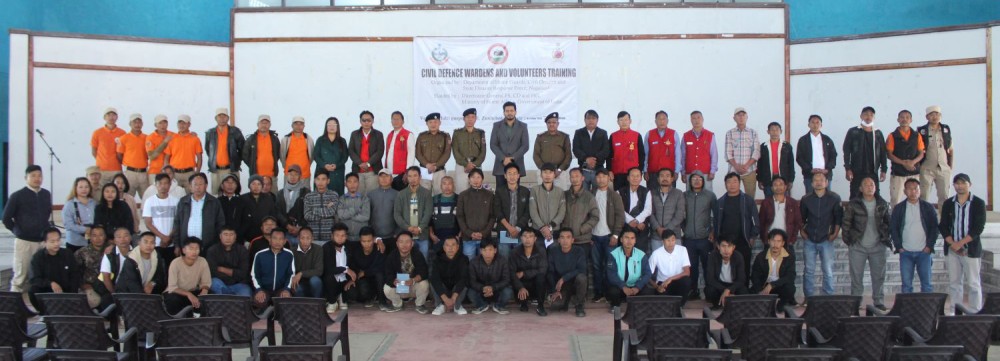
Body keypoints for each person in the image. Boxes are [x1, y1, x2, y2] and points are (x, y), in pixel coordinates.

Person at [842, 177, 892, 310]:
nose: (870, 187)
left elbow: (888, 223)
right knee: (856, 277)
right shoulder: (854, 204)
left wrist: (885, 237)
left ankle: (878, 301)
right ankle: (856, 301)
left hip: (878, 246)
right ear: (860, 188)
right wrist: (849, 241)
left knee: (879, 276)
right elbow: (846, 223)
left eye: (872, 185)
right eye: (866, 185)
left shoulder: (883, 203)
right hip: (858, 246)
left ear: (875, 188)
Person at [939, 173, 987, 313]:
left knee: (973, 283)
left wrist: (960, 243)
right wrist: (952, 243)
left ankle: (975, 311)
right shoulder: (949, 203)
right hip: (952, 250)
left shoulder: (978, 203)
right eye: (957, 183)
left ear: (969, 185)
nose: (960, 186)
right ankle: (955, 312)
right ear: (953, 185)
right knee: (954, 283)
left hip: (970, 249)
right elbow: (943, 226)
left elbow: (978, 228)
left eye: (963, 183)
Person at [4, 164, 54, 294]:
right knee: (21, 276)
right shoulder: (17, 195)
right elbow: (6, 218)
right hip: (24, 242)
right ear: (26, 177)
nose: (37, 178)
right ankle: (13, 308)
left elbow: (46, 214)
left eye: (39, 176)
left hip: (42, 242)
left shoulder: (46, 194)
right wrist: (18, 231)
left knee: (42, 274)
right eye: (33, 176)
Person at [890, 179, 939, 293]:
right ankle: (907, 310)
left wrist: (929, 246)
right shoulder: (899, 208)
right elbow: (893, 229)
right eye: (909, 189)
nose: (913, 191)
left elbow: (934, 228)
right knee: (906, 286)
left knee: (926, 285)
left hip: (924, 252)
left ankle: (927, 310)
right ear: (904, 191)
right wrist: (899, 247)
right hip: (905, 252)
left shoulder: (928, 207)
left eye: (916, 188)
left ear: (920, 190)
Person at [800, 173, 844, 298]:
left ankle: (827, 297)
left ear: (826, 182)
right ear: (812, 183)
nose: (818, 182)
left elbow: (838, 219)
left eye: (821, 180)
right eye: (815, 180)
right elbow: (801, 218)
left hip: (826, 239)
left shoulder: (835, 198)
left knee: (828, 271)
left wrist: (835, 234)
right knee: (808, 271)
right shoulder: (806, 199)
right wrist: (802, 232)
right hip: (810, 239)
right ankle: (809, 298)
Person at [714, 172, 759, 283]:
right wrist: (716, 240)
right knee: (726, 270)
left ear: (739, 183)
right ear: (725, 184)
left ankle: (743, 293)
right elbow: (716, 222)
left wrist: (753, 237)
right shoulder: (720, 202)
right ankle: (727, 292)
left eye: (735, 181)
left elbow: (755, 221)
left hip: (743, 241)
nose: (732, 184)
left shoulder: (748, 200)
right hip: (725, 243)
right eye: (729, 182)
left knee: (744, 269)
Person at [590, 169, 624, 303]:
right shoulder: (590, 194)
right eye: (598, 176)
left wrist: (615, 235)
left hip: (609, 236)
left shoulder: (615, 196)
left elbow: (620, 217)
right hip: (594, 237)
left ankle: (612, 295)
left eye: (604, 176)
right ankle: (599, 293)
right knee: (596, 266)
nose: (601, 179)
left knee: (610, 267)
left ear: (609, 178)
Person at [683, 171, 717, 300]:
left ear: (703, 181)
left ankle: (710, 291)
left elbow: (716, 215)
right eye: (694, 179)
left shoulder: (710, 196)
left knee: (708, 266)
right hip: (689, 239)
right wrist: (684, 228)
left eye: (699, 179)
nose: (697, 181)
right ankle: (693, 290)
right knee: (692, 267)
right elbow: (681, 214)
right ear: (689, 182)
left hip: (705, 238)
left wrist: (713, 231)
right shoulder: (684, 196)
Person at [28, 228, 80, 313]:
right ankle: (43, 313)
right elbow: (34, 279)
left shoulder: (67, 254)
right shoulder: (37, 257)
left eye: (58, 240)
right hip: (46, 290)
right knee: (33, 290)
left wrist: (72, 294)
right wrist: (50, 283)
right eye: (52, 242)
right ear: (45, 242)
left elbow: (74, 274)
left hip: (65, 290)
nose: (56, 244)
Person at [172, 173, 226, 252]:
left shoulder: (214, 202)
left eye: (201, 184)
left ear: (206, 186)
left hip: (208, 247)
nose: (198, 187)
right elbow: (177, 223)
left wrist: (216, 244)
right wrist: (177, 244)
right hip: (186, 246)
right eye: (195, 184)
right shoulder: (183, 201)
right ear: (190, 186)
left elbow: (220, 224)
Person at [843, 106, 888, 199]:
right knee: (855, 195)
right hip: (856, 170)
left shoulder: (878, 133)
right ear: (861, 116)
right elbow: (846, 151)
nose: (868, 117)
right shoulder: (853, 131)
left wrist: (884, 170)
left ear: (874, 117)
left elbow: (883, 152)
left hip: (873, 171)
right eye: (866, 114)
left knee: (875, 195)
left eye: (871, 115)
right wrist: (848, 168)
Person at [382, 231, 431, 314]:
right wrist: (393, 281)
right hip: (399, 286)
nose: (404, 245)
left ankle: (420, 304)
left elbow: (424, 272)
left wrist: (413, 280)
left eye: (407, 242)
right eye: (401, 242)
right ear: (397, 244)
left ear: (412, 243)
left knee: (424, 284)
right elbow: (387, 274)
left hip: (413, 286)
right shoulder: (391, 256)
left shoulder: (417, 254)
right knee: (387, 288)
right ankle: (397, 304)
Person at [886, 110, 926, 205]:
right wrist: (904, 163)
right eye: (902, 117)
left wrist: (912, 162)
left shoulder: (917, 135)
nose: (904, 119)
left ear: (911, 120)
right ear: (898, 119)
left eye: (907, 117)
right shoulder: (892, 136)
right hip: (898, 173)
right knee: (896, 200)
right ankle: (896, 219)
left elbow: (921, 153)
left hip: (914, 172)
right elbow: (889, 154)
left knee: (915, 199)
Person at [562, 168, 599, 269]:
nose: (574, 179)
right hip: (566, 239)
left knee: (582, 270)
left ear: (583, 178)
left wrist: (582, 229)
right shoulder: (564, 195)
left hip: (583, 240)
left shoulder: (589, 196)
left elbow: (595, 217)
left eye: (577, 176)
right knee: (566, 267)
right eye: (572, 177)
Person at [918, 106, 954, 210]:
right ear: (927, 117)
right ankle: (924, 222)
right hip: (926, 168)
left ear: (941, 116)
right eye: (932, 114)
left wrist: (950, 166)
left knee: (944, 197)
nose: (935, 117)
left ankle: (943, 223)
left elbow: (951, 150)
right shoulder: (922, 131)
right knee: (923, 197)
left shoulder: (946, 129)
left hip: (943, 168)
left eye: (937, 114)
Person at [750, 229, 797, 308]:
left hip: (779, 285)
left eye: (779, 241)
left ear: (783, 243)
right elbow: (755, 276)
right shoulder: (761, 257)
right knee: (748, 292)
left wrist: (772, 285)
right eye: (773, 241)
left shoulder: (789, 257)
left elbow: (790, 276)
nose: (775, 244)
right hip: (764, 285)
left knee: (790, 289)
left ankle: (781, 306)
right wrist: (760, 291)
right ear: (768, 241)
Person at [164, 237, 211, 314]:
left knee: (210, 295)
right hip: (176, 292)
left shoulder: (202, 261)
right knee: (172, 299)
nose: (194, 251)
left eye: (197, 249)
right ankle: (175, 322)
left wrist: (204, 290)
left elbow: (206, 282)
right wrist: (188, 294)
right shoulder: (175, 263)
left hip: (193, 291)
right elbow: (172, 287)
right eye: (191, 248)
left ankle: (201, 319)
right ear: (184, 250)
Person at [605, 229, 651, 309]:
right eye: (626, 238)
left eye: (632, 238)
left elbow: (647, 273)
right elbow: (611, 275)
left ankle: (638, 306)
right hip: (620, 287)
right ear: (621, 240)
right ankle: (615, 305)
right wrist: (623, 286)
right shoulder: (614, 254)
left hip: (635, 286)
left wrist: (637, 287)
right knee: (612, 291)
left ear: (635, 241)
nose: (629, 241)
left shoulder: (641, 254)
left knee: (648, 290)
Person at [643, 230, 692, 305]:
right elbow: (647, 274)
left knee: (686, 281)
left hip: (678, 281)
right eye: (668, 240)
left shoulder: (682, 250)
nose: (671, 243)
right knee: (663, 303)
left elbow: (687, 272)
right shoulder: (656, 253)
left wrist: (670, 278)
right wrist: (657, 287)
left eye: (673, 240)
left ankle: (680, 306)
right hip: (663, 283)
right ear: (663, 241)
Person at [394, 167, 433, 260]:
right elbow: (397, 214)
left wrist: (420, 228)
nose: (412, 179)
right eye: (410, 176)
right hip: (405, 235)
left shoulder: (426, 193)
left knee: (423, 260)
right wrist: (408, 228)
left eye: (415, 176)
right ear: (407, 178)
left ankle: (421, 275)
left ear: (420, 177)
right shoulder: (401, 194)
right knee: (405, 262)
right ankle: (407, 276)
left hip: (422, 235)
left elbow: (428, 212)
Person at [548, 228, 588, 317]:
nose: (565, 240)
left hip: (575, 283)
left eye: (568, 237)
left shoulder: (579, 251)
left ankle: (579, 305)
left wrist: (564, 278)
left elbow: (582, 269)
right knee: (555, 306)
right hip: (562, 286)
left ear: (572, 240)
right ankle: (567, 299)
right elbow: (550, 272)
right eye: (562, 237)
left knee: (582, 278)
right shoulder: (553, 251)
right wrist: (555, 290)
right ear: (558, 240)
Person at [493, 163, 531, 259]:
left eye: (515, 173)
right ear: (505, 176)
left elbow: (527, 212)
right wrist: (509, 228)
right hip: (504, 231)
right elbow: (497, 211)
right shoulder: (499, 191)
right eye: (509, 173)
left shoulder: (526, 191)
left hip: (520, 232)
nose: (512, 176)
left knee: (519, 260)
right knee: (504, 260)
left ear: (518, 176)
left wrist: (517, 228)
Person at [251, 228, 295, 309]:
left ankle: (279, 319)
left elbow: (291, 274)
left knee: (286, 301)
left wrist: (286, 289)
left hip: (281, 289)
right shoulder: (260, 255)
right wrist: (259, 290)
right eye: (275, 238)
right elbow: (254, 275)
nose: (277, 241)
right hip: (264, 289)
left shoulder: (289, 254)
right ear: (270, 240)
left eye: (280, 239)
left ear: (285, 241)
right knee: (259, 302)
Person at [489, 101, 530, 186]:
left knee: (515, 192)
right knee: (500, 193)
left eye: (511, 110)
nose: (509, 113)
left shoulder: (523, 126)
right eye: (507, 111)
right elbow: (493, 145)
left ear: (515, 112)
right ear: (504, 112)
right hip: (501, 164)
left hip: (516, 164)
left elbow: (525, 146)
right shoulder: (497, 126)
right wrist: (504, 158)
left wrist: (512, 158)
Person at [457, 169, 495, 258]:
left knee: (485, 263)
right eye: (473, 177)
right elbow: (460, 216)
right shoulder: (463, 195)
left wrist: (484, 233)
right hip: (468, 238)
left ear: (482, 179)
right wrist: (469, 233)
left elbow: (492, 216)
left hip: (485, 238)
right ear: (469, 179)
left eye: (478, 177)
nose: (476, 180)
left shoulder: (489, 195)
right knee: (469, 264)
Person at [205, 108, 244, 193]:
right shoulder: (210, 133)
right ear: (216, 118)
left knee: (233, 194)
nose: (222, 118)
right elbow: (208, 150)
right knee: (216, 194)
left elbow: (242, 149)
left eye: (224, 116)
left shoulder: (235, 131)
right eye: (220, 116)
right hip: (216, 170)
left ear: (228, 118)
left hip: (231, 169)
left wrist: (236, 161)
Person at [510, 228, 548, 316]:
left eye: (531, 236)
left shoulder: (541, 251)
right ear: (521, 238)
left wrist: (524, 273)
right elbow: (512, 272)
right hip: (522, 286)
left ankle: (540, 306)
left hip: (536, 285)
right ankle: (523, 303)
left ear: (535, 239)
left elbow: (543, 269)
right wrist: (520, 287)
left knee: (541, 277)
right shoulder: (515, 252)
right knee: (517, 277)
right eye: (525, 236)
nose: (527, 239)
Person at [796, 115, 838, 195]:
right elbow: (799, 158)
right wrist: (809, 169)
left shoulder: (827, 139)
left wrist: (828, 169)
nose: (815, 125)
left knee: (827, 198)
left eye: (817, 123)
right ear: (808, 125)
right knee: (810, 197)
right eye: (812, 122)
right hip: (809, 175)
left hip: (825, 174)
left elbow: (833, 155)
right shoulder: (803, 140)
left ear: (821, 125)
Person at [143, 173, 180, 263]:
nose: (163, 186)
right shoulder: (149, 201)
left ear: (170, 184)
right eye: (160, 183)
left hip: (172, 243)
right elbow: (148, 223)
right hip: (156, 243)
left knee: (170, 270)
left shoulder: (176, 201)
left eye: (166, 183)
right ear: (155, 184)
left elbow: (178, 222)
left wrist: (169, 238)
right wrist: (162, 237)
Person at [724, 107, 761, 199]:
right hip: (733, 171)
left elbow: (756, 151)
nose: (741, 117)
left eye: (743, 115)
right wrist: (737, 166)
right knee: (733, 197)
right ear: (734, 118)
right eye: (738, 115)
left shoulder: (753, 133)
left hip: (750, 171)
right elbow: (728, 153)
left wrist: (747, 166)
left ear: (747, 117)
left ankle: (749, 214)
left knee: (750, 198)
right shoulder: (729, 133)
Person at [205, 226, 252, 297]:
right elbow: (212, 271)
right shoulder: (212, 250)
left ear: (235, 236)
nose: (228, 238)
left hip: (239, 284)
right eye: (225, 234)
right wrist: (233, 274)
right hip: (220, 282)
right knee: (214, 282)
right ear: (220, 236)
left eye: (231, 234)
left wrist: (222, 269)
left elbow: (243, 273)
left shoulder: (242, 250)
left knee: (246, 294)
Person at [468, 241, 512, 315]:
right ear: (480, 251)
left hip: (497, 290)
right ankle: (481, 305)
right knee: (470, 292)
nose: (487, 253)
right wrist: (483, 288)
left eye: (490, 250)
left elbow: (506, 279)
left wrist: (493, 287)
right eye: (484, 250)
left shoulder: (502, 261)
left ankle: (498, 306)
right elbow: (472, 281)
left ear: (495, 250)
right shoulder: (474, 262)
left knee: (508, 292)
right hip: (482, 291)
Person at [97, 227, 137, 308]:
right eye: (119, 237)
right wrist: (115, 294)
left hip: (133, 289)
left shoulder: (137, 253)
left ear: (130, 238)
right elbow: (106, 277)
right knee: (107, 302)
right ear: (115, 240)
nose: (122, 239)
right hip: (114, 288)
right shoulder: (109, 255)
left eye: (125, 236)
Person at [530, 163, 567, 249]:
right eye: (545, 172)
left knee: (553, 258)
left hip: (554, 231)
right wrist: (543, 227)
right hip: (538, 231)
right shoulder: (534, 190)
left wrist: (550, 227)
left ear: (554, 174)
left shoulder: (560, 192)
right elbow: (533, 211)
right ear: (541, 174)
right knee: (539, 258)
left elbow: (562, 212)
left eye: (550, 172)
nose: (547, 175)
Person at [758, 176, 803, 247]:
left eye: (781, 184)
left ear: (785, 187)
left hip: (787, 240)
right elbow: (761, 222)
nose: (778, 187)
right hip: (770, 240)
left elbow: (798, 222)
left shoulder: (792, 202)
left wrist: (792, 239)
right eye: (775, 185)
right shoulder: (766, 203)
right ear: (772, 188)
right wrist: (764, 239)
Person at [348, 110, 385, 195]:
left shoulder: (378, 134)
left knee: (372, 195)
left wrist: (368, 164)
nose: (366, 122)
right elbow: (351, 150)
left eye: (369, 120)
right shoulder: (354, 134)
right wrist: (360, 163)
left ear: (373, 121)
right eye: (364, 120)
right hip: (358, 170)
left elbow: (380, 151)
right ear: (360, 121)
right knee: (358, 196)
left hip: (373, 171)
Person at [704, 237, 747, 309]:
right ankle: (718, 304)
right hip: (719, 285)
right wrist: (724, 290)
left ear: (733, 247)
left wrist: (728, 290)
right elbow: (710, 278)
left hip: (733, 286)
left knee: (744, 291)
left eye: (729, 246)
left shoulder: (738, 256)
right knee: (709, 290)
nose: (726, 250)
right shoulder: (713, 256)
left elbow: (741, 279)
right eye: (723, 246)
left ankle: (732, 303)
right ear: (718, 247)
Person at [162, 114, 203, 191]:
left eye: (184, 123)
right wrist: (167, 173)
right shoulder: (172, 138)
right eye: (179, 123)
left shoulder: (195, 139)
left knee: (191, 196)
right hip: (175, 174)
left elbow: (199, 158)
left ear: (189, 124)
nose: (181, 125)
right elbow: (166, 158)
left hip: (189, 173)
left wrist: (197, 173)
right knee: (174, 195)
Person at [680, 110, 719, 191]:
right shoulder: (686, 136)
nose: (696, 120)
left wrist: (712, 171)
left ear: (702, 119)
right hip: (690, 173)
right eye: (693, 118)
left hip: (706, 173)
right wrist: (683, 172)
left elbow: (714, 154)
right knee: (690, 197)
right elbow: (682, 156)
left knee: (707, 197)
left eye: (698, 117)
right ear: (691, 120)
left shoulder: (710, 135)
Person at [572, 109, 610, 191]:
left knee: (598, 195)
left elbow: (606, 150)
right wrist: (586, 159)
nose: (591, 120)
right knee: (583, 195)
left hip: (598, 170)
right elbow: (576, 149)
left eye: (593, 118)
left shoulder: (603, 133)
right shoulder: (579, 133)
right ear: (584, 120)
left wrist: (594, 159)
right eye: (588, 118)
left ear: (597, 120)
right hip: (583, 169)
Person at [533, 112, 572, 190]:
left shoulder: (564, 137)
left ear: (558, 124)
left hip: (560, 172)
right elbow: (536, 155)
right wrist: (544, 170)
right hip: (543, 172)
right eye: (549, 122)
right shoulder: (540, 137)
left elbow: (568, 155)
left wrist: (560, 169)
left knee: (560, 196)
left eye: (554, 122)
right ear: (546, 124)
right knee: (543, 196)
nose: (551, 124)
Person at [430, 237, 469, 315]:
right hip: (443, 291)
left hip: (457, 291)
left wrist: (454, 297)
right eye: (447, 245)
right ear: (444, 248)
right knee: (433, 282)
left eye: (453, 245)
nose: (450, 248)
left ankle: (457, 306)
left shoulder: (464, 259)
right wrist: (445, 299)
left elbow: (463, 278)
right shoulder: (437, 259)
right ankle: (440, 305)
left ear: (458, 247)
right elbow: (435, 279)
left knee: (466, 282)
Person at [649, 168, 685, 252]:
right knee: (658, 262)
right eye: (662, 176)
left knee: (675, 263)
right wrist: (658, 228)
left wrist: (667, 230)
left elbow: (680, 215)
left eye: (668, 176)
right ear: (658, 179)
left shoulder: (678, 193)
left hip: (674, 235)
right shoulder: (651, 193)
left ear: (672, 178)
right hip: (656, 236)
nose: (665, 178)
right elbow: (650, 213)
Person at [415, 112, 451, 195]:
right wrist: (427, 165)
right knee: (423, 195)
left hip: (439, 171)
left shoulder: (445, 136)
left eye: (435, 122)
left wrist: (436, 165)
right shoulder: (421, 136)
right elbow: (418, 153)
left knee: (440, 194)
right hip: (424, 170)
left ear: (439, 123)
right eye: (430, 122)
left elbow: (447, 153)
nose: (433, 124)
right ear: (427, 124)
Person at [349, 227, 385, 308]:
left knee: (380, 275)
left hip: (377, 278)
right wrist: (353, 278)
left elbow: (381, 267)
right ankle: (370, 297)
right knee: (354, 293)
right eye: (363, 241)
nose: (366, 244)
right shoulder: (356, 249)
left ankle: (382, 301)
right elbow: (353, 265)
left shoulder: (379, 248)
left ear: (374, 239)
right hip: (362, 278)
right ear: (360, 240)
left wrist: (365, 272)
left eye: (369, 241)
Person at [452, 108, 487, 194]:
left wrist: (474, 164)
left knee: (477, 192)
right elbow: (455, 151)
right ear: (464, 119)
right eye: (468, 117)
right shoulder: (457, 133)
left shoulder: (480, 133)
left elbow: (483, 151)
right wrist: (466, 164)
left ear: (475, 118)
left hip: (476, 166)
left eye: (472, 117)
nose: (470, 119)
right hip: (461, 166)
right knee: (461, 191)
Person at [757, 122, 795, 198]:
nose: (774, 132)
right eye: (772, 130)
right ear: (768, 131)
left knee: (783, 203)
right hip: (768, 180)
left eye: (777, 130)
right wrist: (759, 180)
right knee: (769, 203)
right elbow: (760, 165)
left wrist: (791, 180)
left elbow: (791, 164)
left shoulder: (787, 146)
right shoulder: (763, 147)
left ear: (781, 131)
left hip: (783, 179)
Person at [609, 111, 645, 191]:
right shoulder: (613, 136)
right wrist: (610, 170)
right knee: (619, 197)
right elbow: (609, 155)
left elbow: (642, 155)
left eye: (626, 119)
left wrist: (640, 170)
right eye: (621, 120)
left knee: (632, 197)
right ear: (618, 122)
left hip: (633, 174)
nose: (624, 122)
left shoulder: (637, 135)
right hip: (618, 173)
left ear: (630, 121)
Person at [116, 113, 149, 198]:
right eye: (134, 122)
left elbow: (149, 154)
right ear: (130, 124)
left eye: (139, 122)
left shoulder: (147, 138)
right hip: (130, 173)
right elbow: (119, 155)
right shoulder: (124, 138)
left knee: (146, 197)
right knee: (127, 197)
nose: (137, 124)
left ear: (142, 124)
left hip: (144, 173)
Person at [644, 111, 683, 183]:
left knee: (670, 194)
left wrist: (677, 171)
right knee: (652, 194)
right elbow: (645, 154)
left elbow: (678, 154)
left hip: (669, 173)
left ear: (667, 121)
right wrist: (645, 170)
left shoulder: (674, 134)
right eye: (659, 119)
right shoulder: (649, 134)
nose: (662, 121)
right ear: (655, 121)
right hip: (653, 173)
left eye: (664, 119)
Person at [619, 167, 652, 252]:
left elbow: (648, 210)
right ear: (628, 178)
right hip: (626, 225)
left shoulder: (646, 191)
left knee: (640, 253)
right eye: (632, 176)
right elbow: (620, 209)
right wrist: (631, 221)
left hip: (641, 226)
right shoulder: (620, 192)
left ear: (641, 178)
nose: (635, 178)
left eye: (637, 176)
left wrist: (637, 221)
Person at [75, 225, 108, 308]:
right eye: (94, 235)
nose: (98, 238)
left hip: (108, 285)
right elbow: (74, 272)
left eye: (101, 235)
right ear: (90, 237)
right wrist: (82, 285)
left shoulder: (111, 250)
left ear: (105, 236)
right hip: (89, 286)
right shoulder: (82, 252)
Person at [314, 117, 349, 194]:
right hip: (322, 171)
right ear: (326, 127)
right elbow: (316, 156)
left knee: (337, 195)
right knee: (320, 195)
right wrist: (324, 165)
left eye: (334, 125)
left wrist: (337, 165)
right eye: (329, 125)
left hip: (338, 172)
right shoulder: (320, 140)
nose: (332, 127)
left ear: (338, 127)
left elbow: (345, 157)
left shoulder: (342, 141)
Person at [323, 223, 353, 312]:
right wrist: (345, 269)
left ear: (346, 236)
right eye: (337, 235)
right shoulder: (326, 247)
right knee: (328, 276)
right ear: (332, 236)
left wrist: (378, 240)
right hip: (332, 281)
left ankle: (342, 298)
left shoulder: (350, 246)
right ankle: (332, 302)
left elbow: (355, 264)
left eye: (343, 235)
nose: (340, 238)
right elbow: (328, 268)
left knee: (355, 292)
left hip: (345, 281)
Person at [91, 107, 125, 186]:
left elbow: (124, 152)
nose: (111, 117)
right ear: (104, 117)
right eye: (108, 115)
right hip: (101, 170)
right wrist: (103, 160)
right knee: (101, 193)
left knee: (117, 192)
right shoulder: (97, 132)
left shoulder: (122, 133)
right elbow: (94, 151)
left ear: (117, 117)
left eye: (113, 115)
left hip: (116, 169)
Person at [276, 165, 309, 246]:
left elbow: (309, 211)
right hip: (284, 231)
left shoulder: (306, 192)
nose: (293, 177)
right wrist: (287, 225)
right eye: (290, 174)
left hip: (301, 231)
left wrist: (300, 227)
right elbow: (277, 211)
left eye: (296, 174)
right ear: (287, 176)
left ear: (300, 176)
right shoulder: (280, 193)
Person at [304, 171, 340, 243]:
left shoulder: (334, 195)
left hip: (329, 238)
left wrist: (313, 210)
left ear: (328, 181)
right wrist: (326, 213)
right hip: (312, 238)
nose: (320, 182)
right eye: (318, 179)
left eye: (323, 179)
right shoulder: (308, 196)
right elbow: (307, 216)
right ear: (314, 181)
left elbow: (332, 212)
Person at [386, 111, 418, 191]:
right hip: (389, 173)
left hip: (401, 173)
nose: (395, 121)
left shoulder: (408, 134)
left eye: (398, 119)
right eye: (394, 119)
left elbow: (411, 154)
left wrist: (408, 172)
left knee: (401, 197)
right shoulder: (389, 135)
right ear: (391, 121)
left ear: (403, 121)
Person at [242, 176, 280, 244]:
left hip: (265, 237)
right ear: (249, 185)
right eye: (253, 184)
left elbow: (273, 217)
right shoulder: (242, 199)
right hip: (247, 238)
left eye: (259, 184)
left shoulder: (268, 199)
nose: (256, 187)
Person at [63, 177, 96, 253]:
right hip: (75, 242)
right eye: (81, 187)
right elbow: (68, 225)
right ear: (75, 188)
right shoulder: (69, 204)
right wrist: (85, 229)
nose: (84, 189)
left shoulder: (93, 203)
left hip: (91, 241)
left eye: (86, 187)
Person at [243, 115, 281, 180]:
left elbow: (277, 154)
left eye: (266, 123)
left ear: (270, 125)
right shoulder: (251, 139)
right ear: (257, 124)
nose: (264, 125)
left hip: (271, 176)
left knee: (273, 190)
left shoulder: (274, 139)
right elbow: (245, 155)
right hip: (256, 177)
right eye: (262, 123)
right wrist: (253, 164)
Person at [280, 116, 315, 187]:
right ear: (292, 125)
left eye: (301, 124)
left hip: (304, 176)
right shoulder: (286, 139)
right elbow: (282, 156)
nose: (298, 126)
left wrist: (306, 166)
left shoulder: (308, 139)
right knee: (288, 197)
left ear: (304, 126)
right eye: (296, 124)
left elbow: (311, 156)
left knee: (305, 197)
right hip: (289, 176)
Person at [369, 169, 397, 254]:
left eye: (386, 176)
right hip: (375, 237)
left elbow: (401, 215)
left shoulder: (398, 195)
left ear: (391, 179)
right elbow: (368, 215)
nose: (384, 178)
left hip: (393, 236)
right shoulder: (370, 195)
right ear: (378, 179)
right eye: (381, 176)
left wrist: (397, 233)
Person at [292, 226, 324, 299]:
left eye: (308, 238)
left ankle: (317, 303)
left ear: (312, 239)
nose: (305, 241)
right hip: (299, 281)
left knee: (315, 281)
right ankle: (301, 306)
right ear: (298, 238)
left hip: (313, 279)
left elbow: (319, 271)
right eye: (302, 238)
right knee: (296, 287)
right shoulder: (292, 251)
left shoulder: (318, 249)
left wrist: (301, 273)